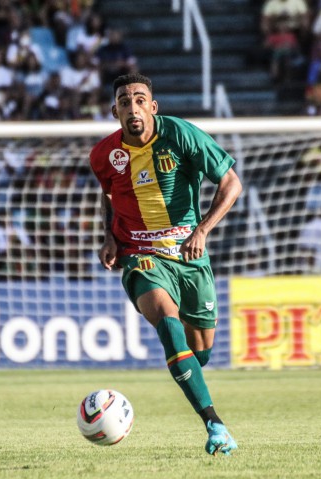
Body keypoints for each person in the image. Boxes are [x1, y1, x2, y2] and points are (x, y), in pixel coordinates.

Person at [89, 73, 242, 456]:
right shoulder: (103, 155)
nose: (132, 106)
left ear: (153, 107)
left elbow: (231, 184)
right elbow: (109, 192)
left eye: (140, 99)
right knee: (167, 324)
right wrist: (110, 236)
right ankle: (214, 423)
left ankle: (187, 374)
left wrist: (203, 229)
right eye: (124, 101)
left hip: (189, 257)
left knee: (200, 351)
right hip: (141, 257)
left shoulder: (182, 135)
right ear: (115, 111)